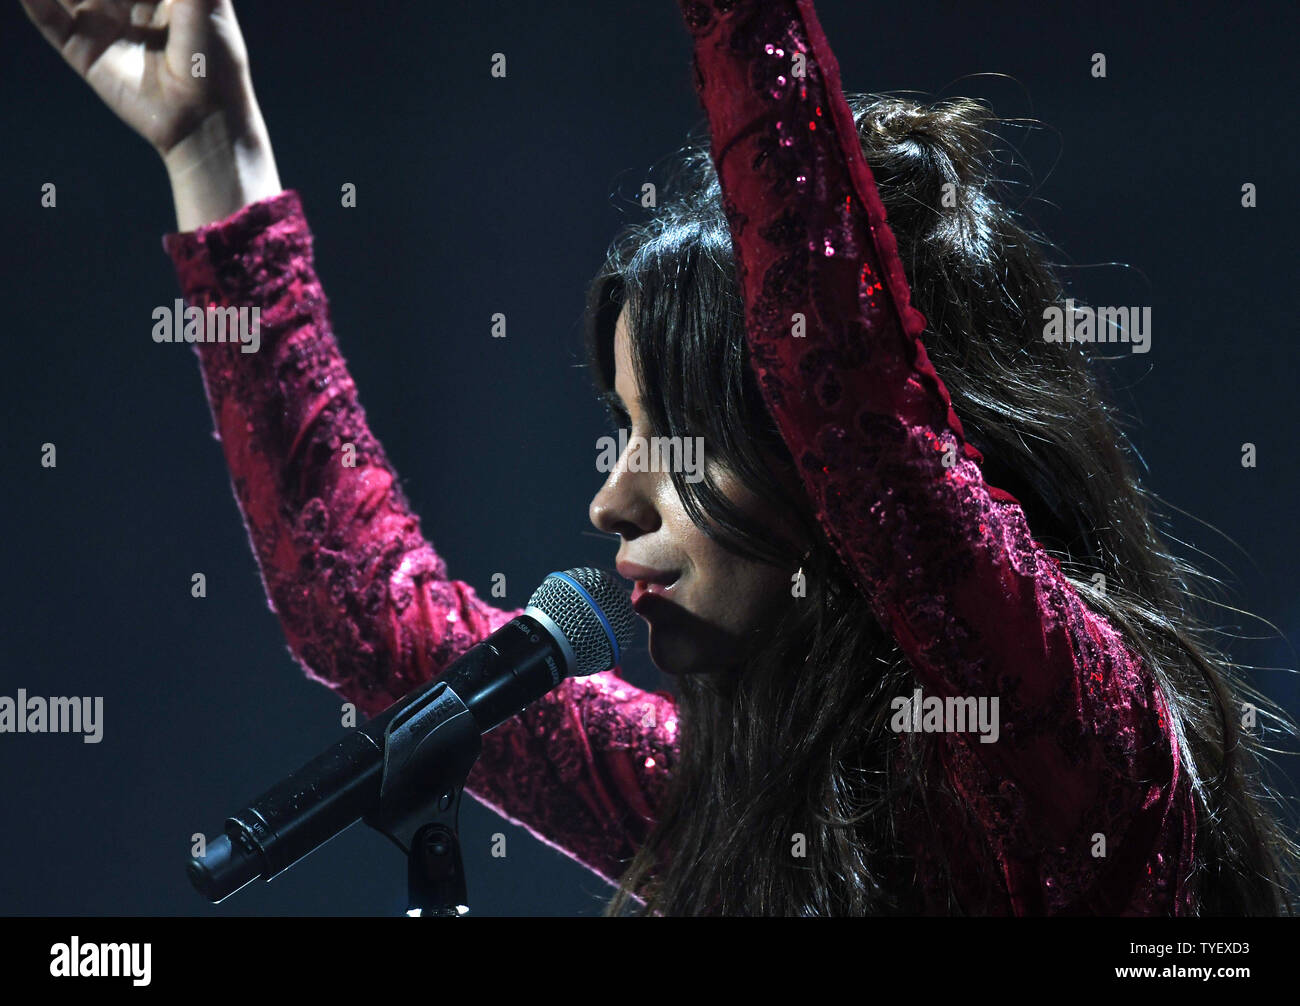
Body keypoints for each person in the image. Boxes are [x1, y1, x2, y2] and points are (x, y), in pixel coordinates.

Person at [21, 0, 1297, 915]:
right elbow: (367, 616)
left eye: (671, 438)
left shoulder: (1080, 734)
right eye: (623, 427)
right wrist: (212, 151)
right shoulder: (729, 806)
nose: (609, 496)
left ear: (813, 459)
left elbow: (853, 405)